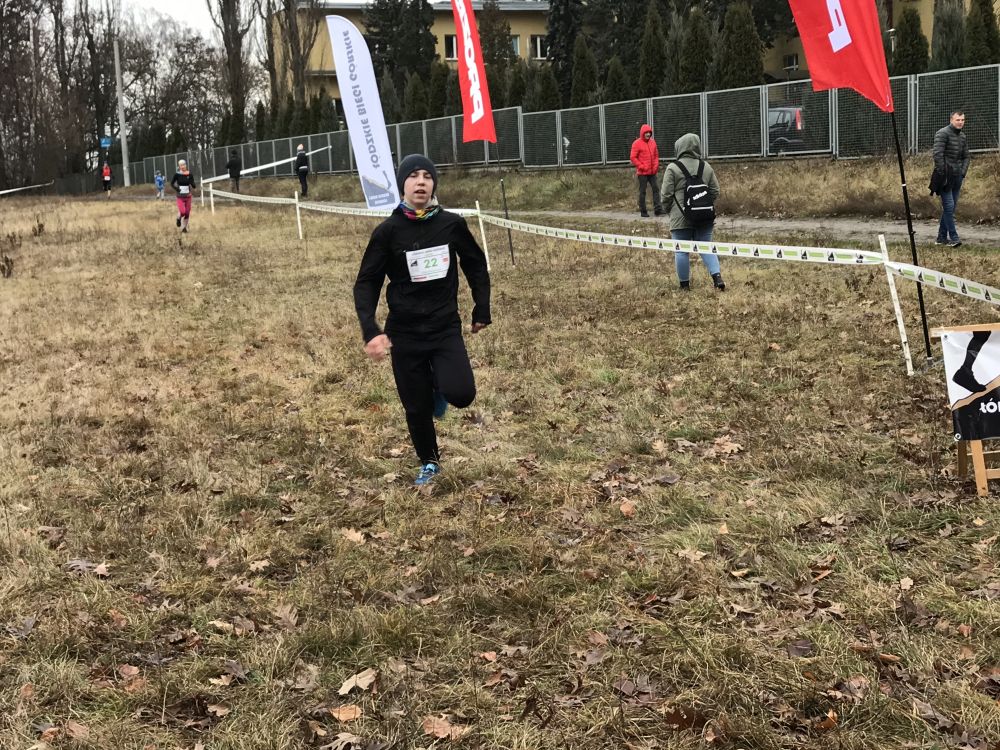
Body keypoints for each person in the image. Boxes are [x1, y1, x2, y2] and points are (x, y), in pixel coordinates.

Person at [353, 154, 492, 486]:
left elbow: (475, 264)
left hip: (444, 327)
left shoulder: (451, 224)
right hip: (405, 333)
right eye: (413, 176)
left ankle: (438, 387)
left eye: (427, 176)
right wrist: (370, 329)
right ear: (402, 184)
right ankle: (429, 462)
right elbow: (367, 282)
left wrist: (481, 307)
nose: (421, 182)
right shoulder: (388, 232)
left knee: (461, 393)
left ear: (434, 185)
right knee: (416, 407)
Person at [660, 133, 725, 292]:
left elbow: (666, 195)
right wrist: (703, 204)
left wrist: (670, 210)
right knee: (706, 247)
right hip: (704, 216)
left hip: (680, 217)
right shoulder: (706, 166)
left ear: (679, 148)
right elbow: (715, 190)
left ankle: (684, 286)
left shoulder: (673, 168)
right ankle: (717, 277)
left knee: (681, 251)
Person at [933, 110, 970, 247]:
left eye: (962, 120)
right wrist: (944, 173)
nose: (960, 122)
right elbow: (937, 155)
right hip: (945, 178)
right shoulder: (942, 133)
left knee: (951, 208)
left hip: (957, 177)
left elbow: (966, 156)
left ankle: (941, 238)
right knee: (948, 206)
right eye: (958, 120)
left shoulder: (963, 136)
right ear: (951, 120)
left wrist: (962, 172)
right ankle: (954, 238)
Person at [629, 124, 664, 218]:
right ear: (642, 133)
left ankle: (658, 209)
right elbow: (633, 157)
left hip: (652, 172)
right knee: (642, 192)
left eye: (649, 132)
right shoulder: (636, 143)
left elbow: (656, 156)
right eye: (646, 132)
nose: (648, 134)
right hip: (642, 173)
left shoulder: (653, 142)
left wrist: (656, 166)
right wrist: (642, 166)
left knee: (656, 189)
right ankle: (643, 211)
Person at [171, 159, 197, 233]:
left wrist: (193, 184)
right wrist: (176, 188)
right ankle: (178, 218)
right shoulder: (177, 174)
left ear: (186, 165)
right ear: (179, 166)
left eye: (184, 165)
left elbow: (193, 184)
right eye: (181, 165)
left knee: (187, 213)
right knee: (182, 212)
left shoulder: (189, 174)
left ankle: (184, 228)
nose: (182, 166)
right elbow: (172, 183)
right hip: (180, 197)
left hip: (188, 196)